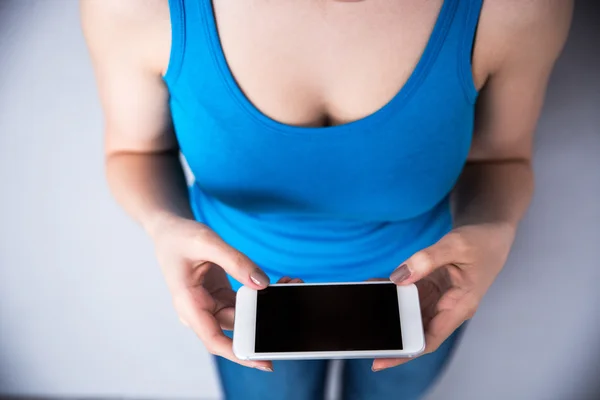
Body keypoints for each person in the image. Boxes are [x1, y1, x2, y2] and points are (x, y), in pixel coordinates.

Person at [81, 0, 571, 398]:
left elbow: (499, 159)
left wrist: (492, 233)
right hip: (240, 301)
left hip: (422, 295)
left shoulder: (514, 9)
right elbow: (133, 150)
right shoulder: (135, 7)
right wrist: (164, 225)